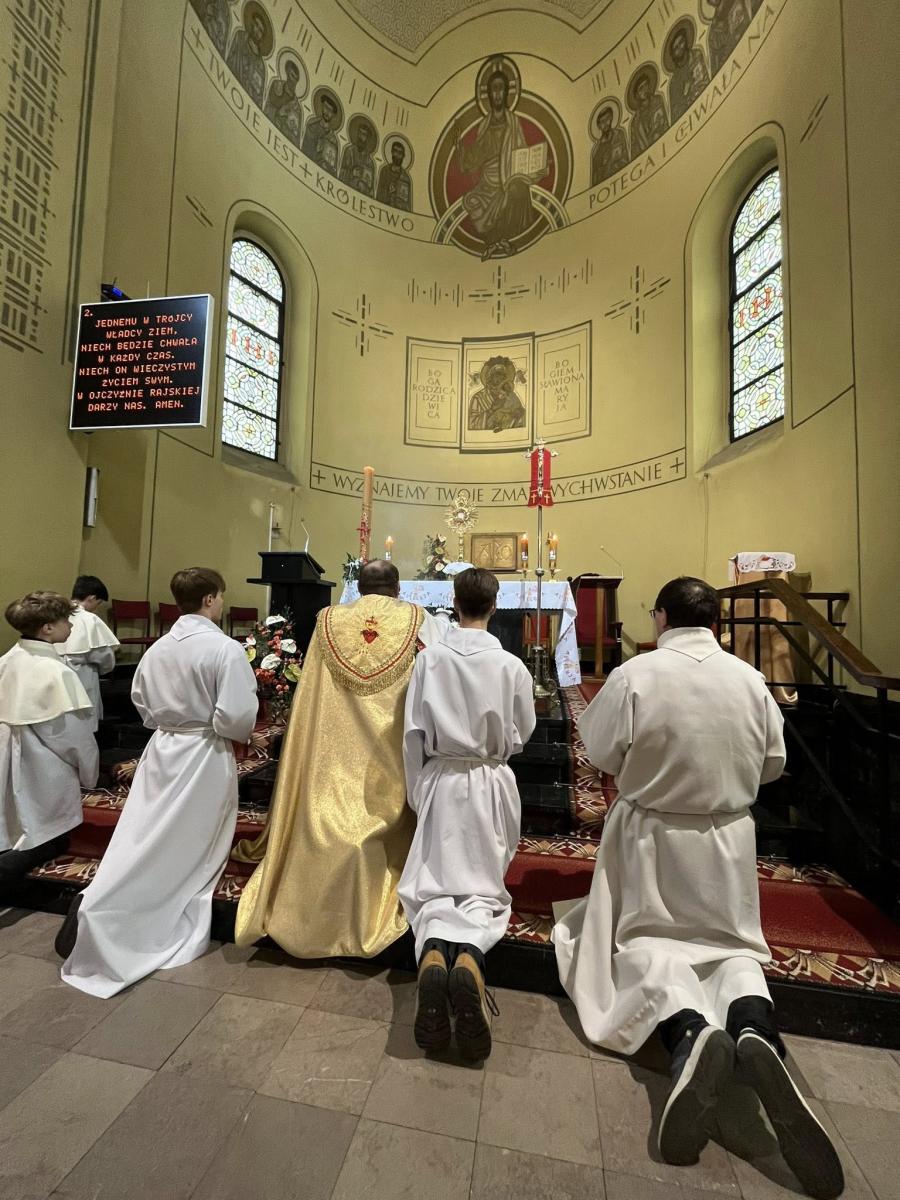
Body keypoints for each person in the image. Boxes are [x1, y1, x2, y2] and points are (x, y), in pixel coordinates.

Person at [553, 577, 843, 1199]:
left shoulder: (636, 675)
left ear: (662, 617)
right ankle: (755, 1027)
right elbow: (774, 763)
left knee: (645, 942)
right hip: (727, 838)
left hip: (651, 835)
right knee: (730, 947)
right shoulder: (748, 679)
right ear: (715, 621)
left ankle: (689, 1033)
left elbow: (599, 749)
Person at [234, 559, 448, 959]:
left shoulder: (328, 620)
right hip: (388, 756)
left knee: (328, 804)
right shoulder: (420, 620)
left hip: (331, 755)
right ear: (397, 589)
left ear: (358, 588)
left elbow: (310, 693)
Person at [60, 568, 258, 997]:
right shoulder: (225, 649)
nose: (222, 603)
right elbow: (236, 715)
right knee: (191, 836)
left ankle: (102, 897)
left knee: (147, 828)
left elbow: (143, 704)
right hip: (203, 753)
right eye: (221, 596)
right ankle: (120, 909)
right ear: (209, 599)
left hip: (163, 748)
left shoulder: (158, 648)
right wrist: (225, 729)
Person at [399, 568, 535, 1060]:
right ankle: (471, 959)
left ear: (454, 604)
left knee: (435, 881)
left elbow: (413, 733)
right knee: (482, 885)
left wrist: (418, 791)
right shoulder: (511, 666)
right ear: (494, 607)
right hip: (489, 780)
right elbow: (523, 731)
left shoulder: (429, 660)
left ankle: (435, 952)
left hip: (441, 779)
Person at [0, 593, 98, 887]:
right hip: (42, 765)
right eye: (65, 619)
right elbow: (72, 737)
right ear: (47, 628)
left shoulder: (6, 661)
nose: (71, 625)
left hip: (7, 752)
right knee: (47, 833)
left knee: (11, 822)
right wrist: (89, 772)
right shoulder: (55, 671)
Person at [456, 67, 543, 260]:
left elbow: (521, 149)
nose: (497, 94)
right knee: (472, 200)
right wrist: (461, 149)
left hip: (509, 175)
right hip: (488, 181)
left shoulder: (513, 122)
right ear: (489, 94)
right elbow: (476, 156)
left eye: (500, 89)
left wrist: (534, 166)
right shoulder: (484, 125)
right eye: (493, 89)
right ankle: (495, 242)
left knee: (517, 191)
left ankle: (504, 240)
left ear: (506, 93)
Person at [57, 575, 119, 732]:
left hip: (56, 673)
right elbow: (103, 655)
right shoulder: (89, 619)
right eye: (98, 603)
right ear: (91, 598)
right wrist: (107, 668)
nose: (97, 607)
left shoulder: (56, 614)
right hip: (83, 674)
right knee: (82, 720)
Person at [339, 118, 377, 196]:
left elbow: (371, 188)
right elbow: (340, 172)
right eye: (359, 133)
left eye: (363, 134)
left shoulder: (369, 161)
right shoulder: (349, 151)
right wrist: (351, 173)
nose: (360, 136)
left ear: (367, 139)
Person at [376, 140, 413, 211]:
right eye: (395, 151)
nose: (397, 155)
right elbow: (379, 195)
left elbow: (408, 205)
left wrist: (397, 197)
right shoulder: (385, 171)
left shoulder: (406, 178)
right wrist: (388, 192)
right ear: (392, 152)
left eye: (400, 153)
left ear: (403, 156)